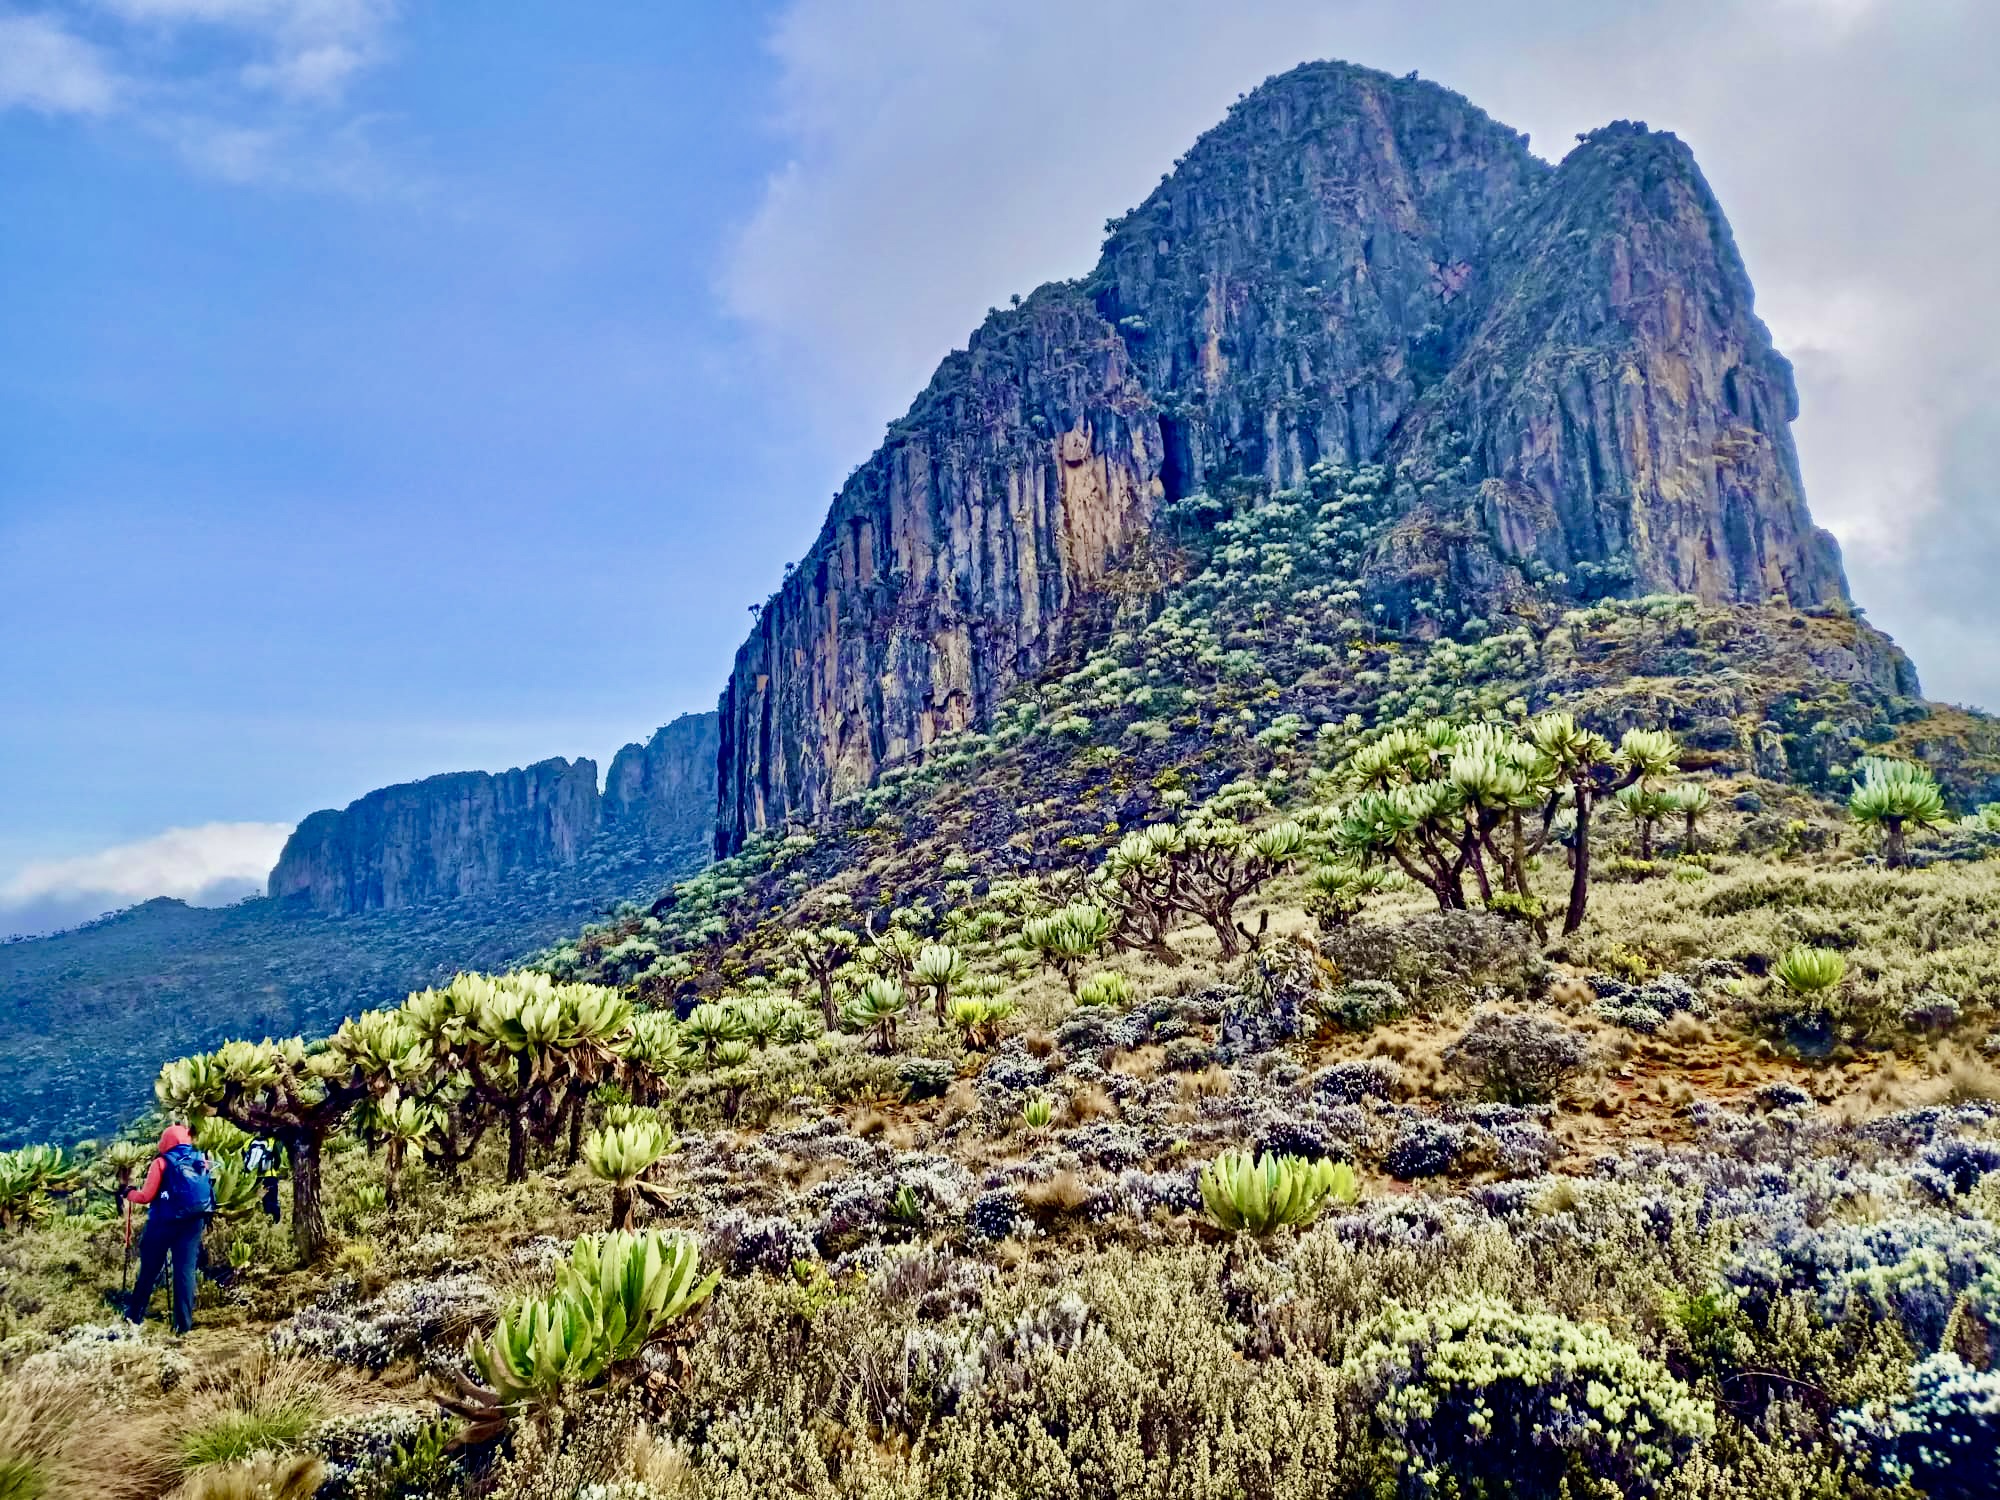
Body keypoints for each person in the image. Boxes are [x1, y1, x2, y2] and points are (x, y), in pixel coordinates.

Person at [122, 1123, 215, 1334]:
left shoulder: (161, 1163)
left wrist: (128, 1193)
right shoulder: (200, 1158)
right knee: (185, 1272)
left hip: (163, 1224)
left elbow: (146, 1197)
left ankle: (134, 1317)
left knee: (149, 1270)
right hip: (193, 1221)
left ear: (166, 1142)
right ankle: (183, 1326)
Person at [243, 1134, 283, 1223]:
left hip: (254, 1177)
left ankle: (261, 1220)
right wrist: (273, 1169)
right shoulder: (272, 1142)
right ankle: (275, 1222)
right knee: (272, 1200)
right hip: (269, 1176)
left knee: (258, 1199)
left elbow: (244, 1156)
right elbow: (278, 1160)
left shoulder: (249, 1141)